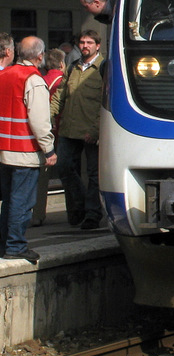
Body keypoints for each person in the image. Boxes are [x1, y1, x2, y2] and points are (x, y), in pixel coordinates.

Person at [0, 37, 57, 263]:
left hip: (4, 149)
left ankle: (4, 243)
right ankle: (16, 246)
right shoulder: (33, 79)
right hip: (24, 151)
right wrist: (49, 149)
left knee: (8, 201)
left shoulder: (4, 74)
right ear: (40, 56)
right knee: (22, 203)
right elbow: (40, 121)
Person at [50, 30, 104, 229]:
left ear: (97, 45)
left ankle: (92, 214)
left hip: (91, 131)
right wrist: (49, 115)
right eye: (82, 42)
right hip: (69, 129)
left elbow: (106, 102)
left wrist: (96, 129)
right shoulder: (73, 67)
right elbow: (60, 94)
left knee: (93, 174)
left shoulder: (104, 68)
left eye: (89, 42)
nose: (85, 46)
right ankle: (78, 207)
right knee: (64, 167)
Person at [33, 48, 66, 227]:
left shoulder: (39, 80)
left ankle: (37, 214)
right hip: (59, 133)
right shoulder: (61, 81)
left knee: (40, 178)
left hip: (39, 133)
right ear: (62, 63)